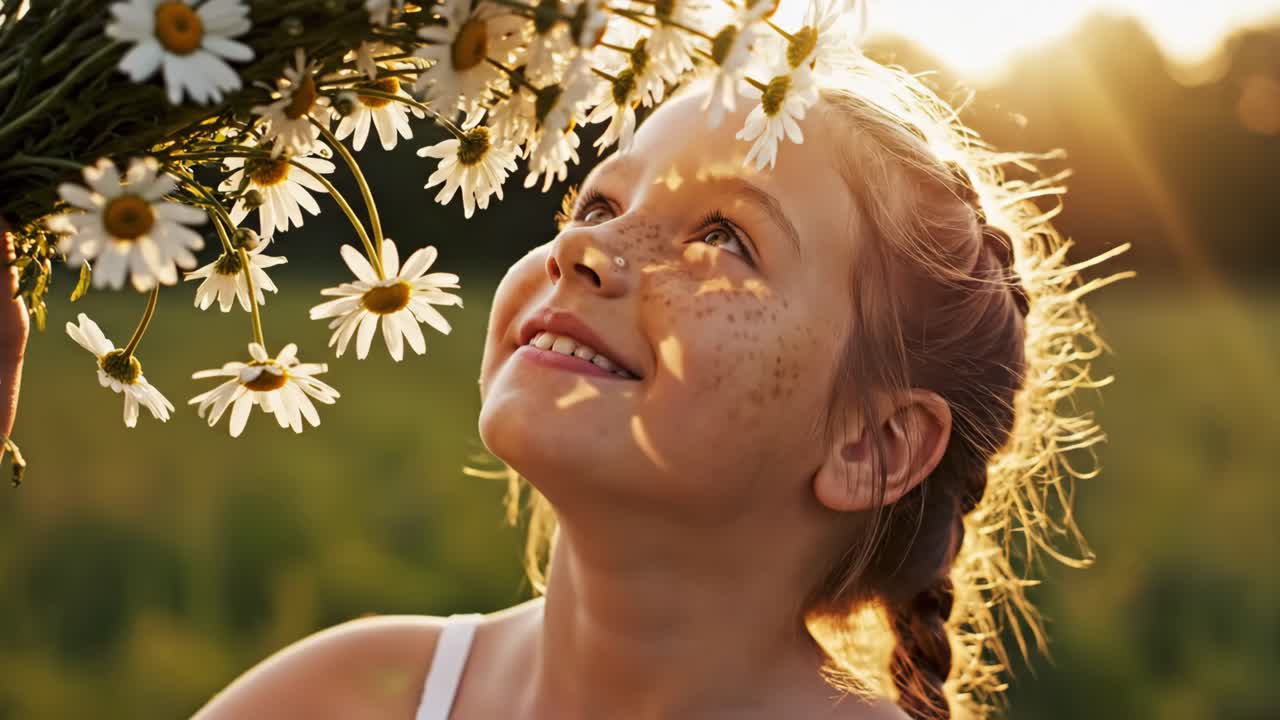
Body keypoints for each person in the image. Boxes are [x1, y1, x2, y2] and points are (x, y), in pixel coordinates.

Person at [4, 54, 1110, 720]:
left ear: (870, 445)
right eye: (594, 204)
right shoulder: (344, 697)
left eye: (725, 236)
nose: (585, 253)